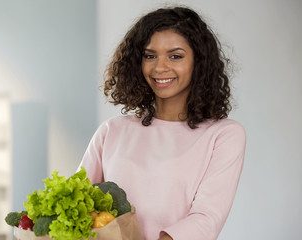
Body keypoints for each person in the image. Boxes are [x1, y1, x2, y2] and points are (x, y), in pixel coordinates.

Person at [78, 6, 246, 240]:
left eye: (175, 56)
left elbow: (206, 218)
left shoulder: (224, 135)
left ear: (199, 62)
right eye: (150, 56)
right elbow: (75, 202)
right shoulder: (112, 130)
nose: (159, 67)